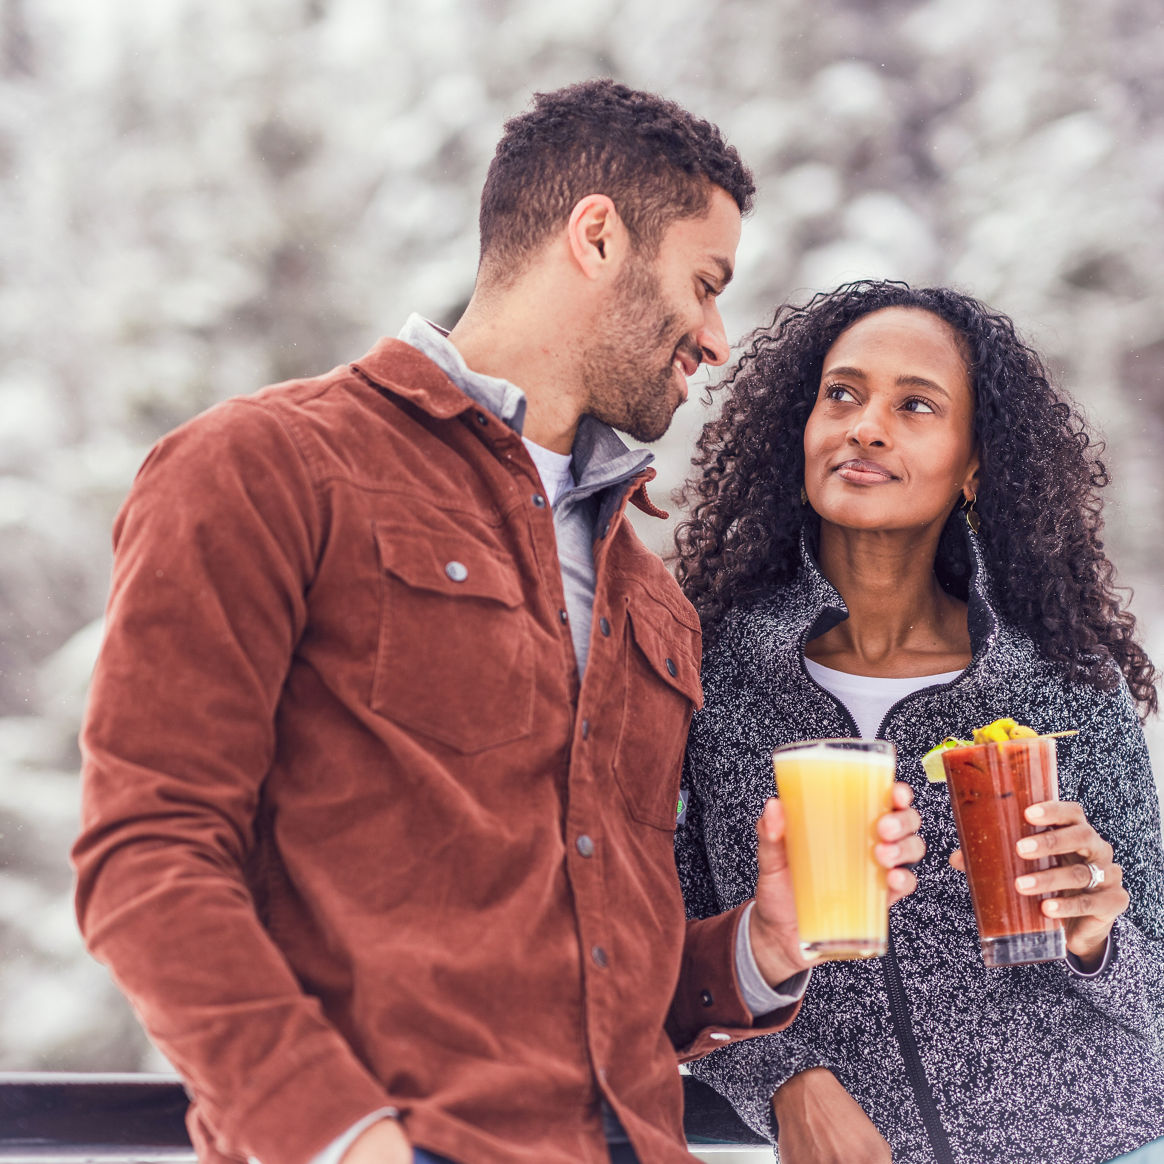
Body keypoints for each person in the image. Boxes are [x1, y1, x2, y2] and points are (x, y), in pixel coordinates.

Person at [71, 84, 925, 1164]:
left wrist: (761, 942)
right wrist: (338, 1136)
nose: (715, 339)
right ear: (599, 236)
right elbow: (146, 858)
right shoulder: (264, 468)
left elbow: (606, 979)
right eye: (704, 285)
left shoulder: (644, 591)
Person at [673, 279, 1164, 1164]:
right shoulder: (710, 671)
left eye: (917, 405)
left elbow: (1158, 984)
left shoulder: (1063, 681)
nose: (867, 426)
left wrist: (1099, 937)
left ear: (976, 464)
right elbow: (656, 939)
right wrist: (783, 1079)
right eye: (843, 394)